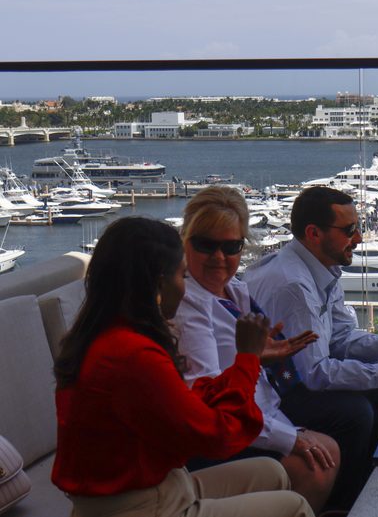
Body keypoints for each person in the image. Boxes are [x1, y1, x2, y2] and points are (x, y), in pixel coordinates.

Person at [51, 216, 312, 517]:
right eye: (182, 276)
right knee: (295, 507)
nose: (185, 289)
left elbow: (185, 405)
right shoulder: (132, 356)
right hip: (138, 506)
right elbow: (217, 435)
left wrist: (249, 361)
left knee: (272, 472)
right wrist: (247, 359)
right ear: (158, 284)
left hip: (156, 487)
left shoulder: (106, 337)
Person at [245, 185, 378, 507]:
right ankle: (344, 504)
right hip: (272, 392)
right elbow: (314, 374)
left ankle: (369, 477)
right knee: (353, 413)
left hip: (293, 379)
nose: (358, 239)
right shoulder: (293, 286)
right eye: (349, 230)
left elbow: (341, 340)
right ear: (314, 233)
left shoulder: (321, 270)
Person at [173, 186, 340, 513]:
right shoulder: (188, 306)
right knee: (319, 464)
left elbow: (239, 367)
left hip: (261, 410)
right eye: (206, 245)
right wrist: (290, 439)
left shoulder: (235, 290)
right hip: (220, 432)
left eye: (231, 246)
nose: (219, 258)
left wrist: (258, 355)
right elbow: (207, 400)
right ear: (186, 242)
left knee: (332, 444)